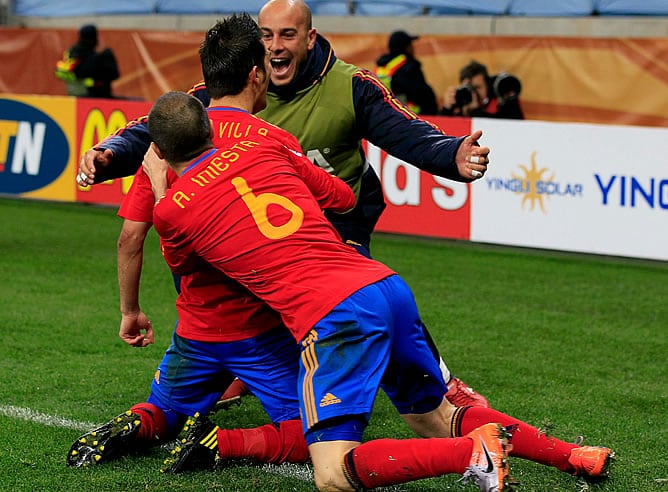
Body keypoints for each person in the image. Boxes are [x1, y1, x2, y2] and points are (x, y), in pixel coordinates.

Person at [144, 88, 614, 491]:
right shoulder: (262, 150)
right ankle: (574, 455)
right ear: (209, 127)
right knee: (434, 416)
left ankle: (473, 456)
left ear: (161, 153)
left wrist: (160, 188)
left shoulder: (172, 210)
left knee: (331, 472)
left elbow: (190, 273)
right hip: (382, 285)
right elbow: (343, 198)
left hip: (334, 314)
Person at [75, 0, 492, 410]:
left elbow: (404, 131)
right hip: (257, 219)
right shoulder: (225, 87)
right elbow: (158, 126)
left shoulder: (349, 85)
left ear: (310, 38)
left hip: (333, 219)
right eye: (267, 35)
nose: (276, 45)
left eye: (288, 35)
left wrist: (449, 153)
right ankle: (241, 367)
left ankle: (442, 385)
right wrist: (110, 152)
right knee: (206, 279)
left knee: (364, 297)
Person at [374, 30, 439, 115]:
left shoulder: (381, 67)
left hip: (385, 115)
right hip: (410, 116)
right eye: (410, 45)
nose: (412, 48)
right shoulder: (408, 67)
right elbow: (422, 93)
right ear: (406, 47)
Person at [441, 60, 524, 119]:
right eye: (470, 89)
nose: (474, 94)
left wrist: (475, 111)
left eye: (477, 88)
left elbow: (508, 126)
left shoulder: (499, 98)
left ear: (487, 85)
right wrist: (446, 109)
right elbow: (438, 134)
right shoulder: (460, 101)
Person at [55, 24, 120, 98]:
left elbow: (60, 71)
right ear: (94, 38)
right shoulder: (94, 57)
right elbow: (114, 74)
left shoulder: (71, 53)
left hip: (73, 96)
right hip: (91, 97)